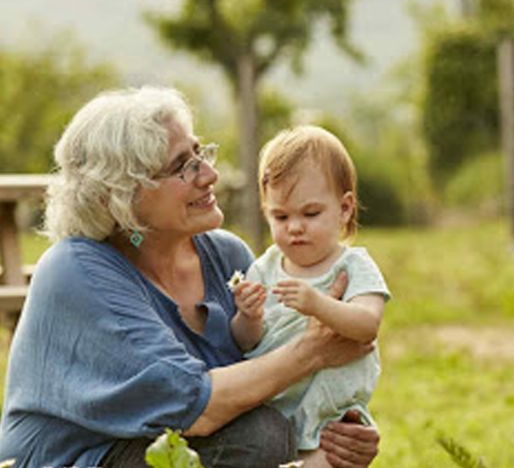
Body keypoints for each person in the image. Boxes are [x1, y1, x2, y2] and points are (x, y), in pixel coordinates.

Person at [0, 87, 380, 468]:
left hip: (172, 447)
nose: (210, 174)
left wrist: (338, 429)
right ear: (120, 196)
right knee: (258, 437)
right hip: (81, 458)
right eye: (183, 166)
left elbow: (265, 375)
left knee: (264, 431)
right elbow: (196, 407)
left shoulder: (227, 256)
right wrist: (313, 351)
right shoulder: (76, 271)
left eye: (200, 153)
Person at [231, 125, 390, 468]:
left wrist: (318, 304)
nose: (295, 227)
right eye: (281, 216)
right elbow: (245, 343)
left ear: (345, 209)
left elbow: (367, 325)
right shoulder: (265, 267)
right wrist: (248, 316)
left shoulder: (352, 266)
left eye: (310, 214)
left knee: (331, 458)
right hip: (276, 406)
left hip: (332, 410)